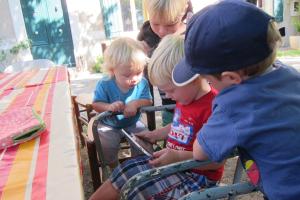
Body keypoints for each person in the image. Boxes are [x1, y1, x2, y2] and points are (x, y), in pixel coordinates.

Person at [172, 1, 300, 199]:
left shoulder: (233, 105)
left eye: (207, 79)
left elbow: (200, 152)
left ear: (231, 78)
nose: (206, 83)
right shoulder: (289, 73)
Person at [89, 34, 224, 200]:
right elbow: (181, 125)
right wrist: (155, 134)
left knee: (138, 190)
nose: (167, 95)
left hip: (196, 177)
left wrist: (178, 157)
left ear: (193, 79)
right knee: (127, 169)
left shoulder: (215, 108)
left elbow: (216, 161)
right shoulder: (185, 97)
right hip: (173, 164)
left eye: (171, 90)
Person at [91, 37, 153, 169]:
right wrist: (109, 107)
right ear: (113, 70)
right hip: (109, 124)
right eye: (127, 75)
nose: (134, 79)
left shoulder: (142, 83)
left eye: (139, 72)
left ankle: (140, 165)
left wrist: (136, 103)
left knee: (145, 139)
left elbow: (148, 101)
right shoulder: (105, 83)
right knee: (106, 145)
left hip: (132, 122)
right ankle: (113, 166)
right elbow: (96, 104)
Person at [137, 0, 193, 126]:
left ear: (183, 10)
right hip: (169, 109)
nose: (161, 31)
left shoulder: (193, 34)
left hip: (194, 107)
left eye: (170, 24)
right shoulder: (148, 35)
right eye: (155, 23)